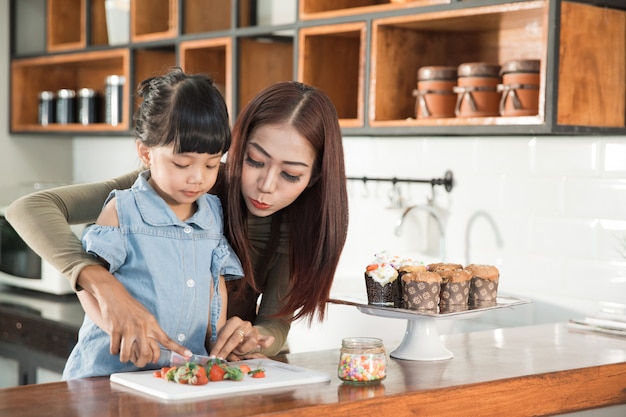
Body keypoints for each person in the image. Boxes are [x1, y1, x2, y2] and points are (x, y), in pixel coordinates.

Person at [6, 79, 349, 366]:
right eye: (254, 161)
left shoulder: (303, 226)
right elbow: (30, 209)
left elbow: (274, 325)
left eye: (290, 174)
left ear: (315, 175)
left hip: (216, 375)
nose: (267, 185)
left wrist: (257, 337)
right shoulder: (189, 184)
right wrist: (99, 283)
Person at [62, 68, 245, 379]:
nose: (198, 177)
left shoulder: (212, 212)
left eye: (212, 163)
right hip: (108, 375)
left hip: (180, 376)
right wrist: (119, 328)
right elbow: (90, 289)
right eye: (182, 163)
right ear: (146, 153)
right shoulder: (122, 210)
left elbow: (216, 286)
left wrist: (217, 341)